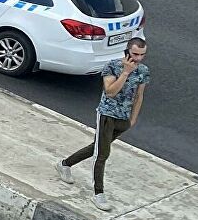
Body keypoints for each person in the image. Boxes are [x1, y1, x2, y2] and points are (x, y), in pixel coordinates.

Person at [57, 37, 149, 211]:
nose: (138, 58)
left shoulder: (143, 71)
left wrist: (133, 119)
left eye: (142, 55)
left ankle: (65, 164)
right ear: (128, 51)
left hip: (124, 118)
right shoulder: (113, 66)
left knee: (96, 147)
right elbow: (110, 91)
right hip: (107, 115)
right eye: (135, 54)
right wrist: (125, 73)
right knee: (102, 154)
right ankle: (98, 194)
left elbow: (139, 96)